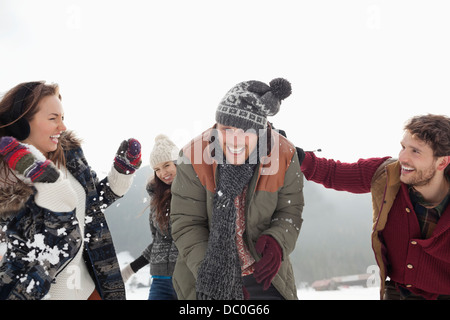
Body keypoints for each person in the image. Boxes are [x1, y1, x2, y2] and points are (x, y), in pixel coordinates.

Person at [0, 81, 142, 300]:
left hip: (89, 289)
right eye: (53, 118)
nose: (62, 127)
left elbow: (93, 204)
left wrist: (121, 174)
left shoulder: (70, 157)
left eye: (62, 118)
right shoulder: (6, 180)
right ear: (23, 123)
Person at [170, 78, 304, 300]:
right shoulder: (192, 156)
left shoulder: (284, 153)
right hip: (204, 273)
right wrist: (216, 276)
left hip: (266, 276)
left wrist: (278, 241)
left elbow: (291, 209)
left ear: (260, 131)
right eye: (227, 129)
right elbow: (186, 223)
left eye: (247, 130)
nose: (235, 140)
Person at [296, 114, 450, 300]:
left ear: (442, 162)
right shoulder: (386, 174)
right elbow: (333, 173)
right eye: (403, 147)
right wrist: (297, 155)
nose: (402, 158)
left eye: (415, 151)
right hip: (396, 291)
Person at [121, 134, 179, 300]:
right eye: (157, 169)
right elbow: (158, 242)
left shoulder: (192, 194)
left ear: (178, 162)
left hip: (187, 276)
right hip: (160, 279)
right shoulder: (157, 201)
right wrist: (130, 269)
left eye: (167, 165)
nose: (162, 173)